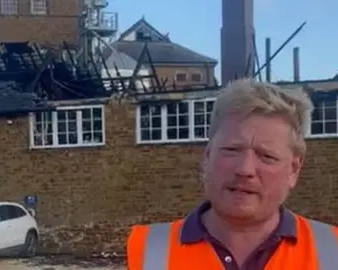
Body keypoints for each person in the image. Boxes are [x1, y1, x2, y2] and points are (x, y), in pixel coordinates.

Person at [127, 78, 338, 270]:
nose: (245, 169)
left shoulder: (331, 251)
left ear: (293, 169)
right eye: (232, 150)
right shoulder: (148, 253)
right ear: (207, 156)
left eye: (266, 156)